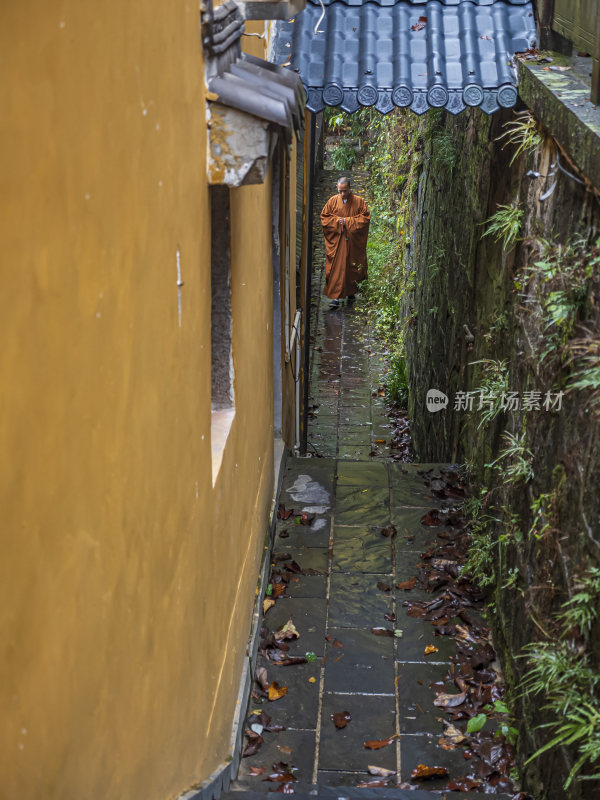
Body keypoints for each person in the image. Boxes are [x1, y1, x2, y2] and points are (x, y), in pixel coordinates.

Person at [320, 177, 370, 307]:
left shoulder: (359, 202)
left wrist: (348, 222)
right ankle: (336, 297)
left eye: (345, 191)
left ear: (350, 189)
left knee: (352, 267)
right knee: (337, 269)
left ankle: (350, 292)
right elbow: (324, 218)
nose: (342, 194)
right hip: (337, 243)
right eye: (340, 191)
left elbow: (365, 219)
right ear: (337, 188)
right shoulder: (332, 201)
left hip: (352, 243)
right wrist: (337, 222)